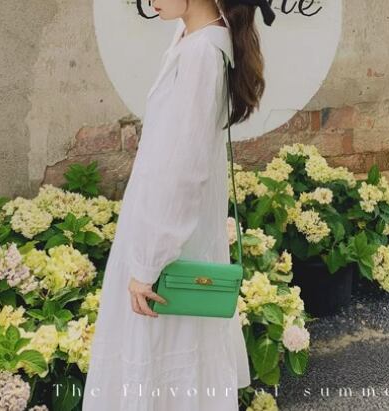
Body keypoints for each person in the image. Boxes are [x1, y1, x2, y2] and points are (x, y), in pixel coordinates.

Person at [82, 0, 273, 409]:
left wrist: (148, 262)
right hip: (164, 226)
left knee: (162, 362)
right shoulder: (193, 37)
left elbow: (183, 170)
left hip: (169, 241)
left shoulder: (203, 52)